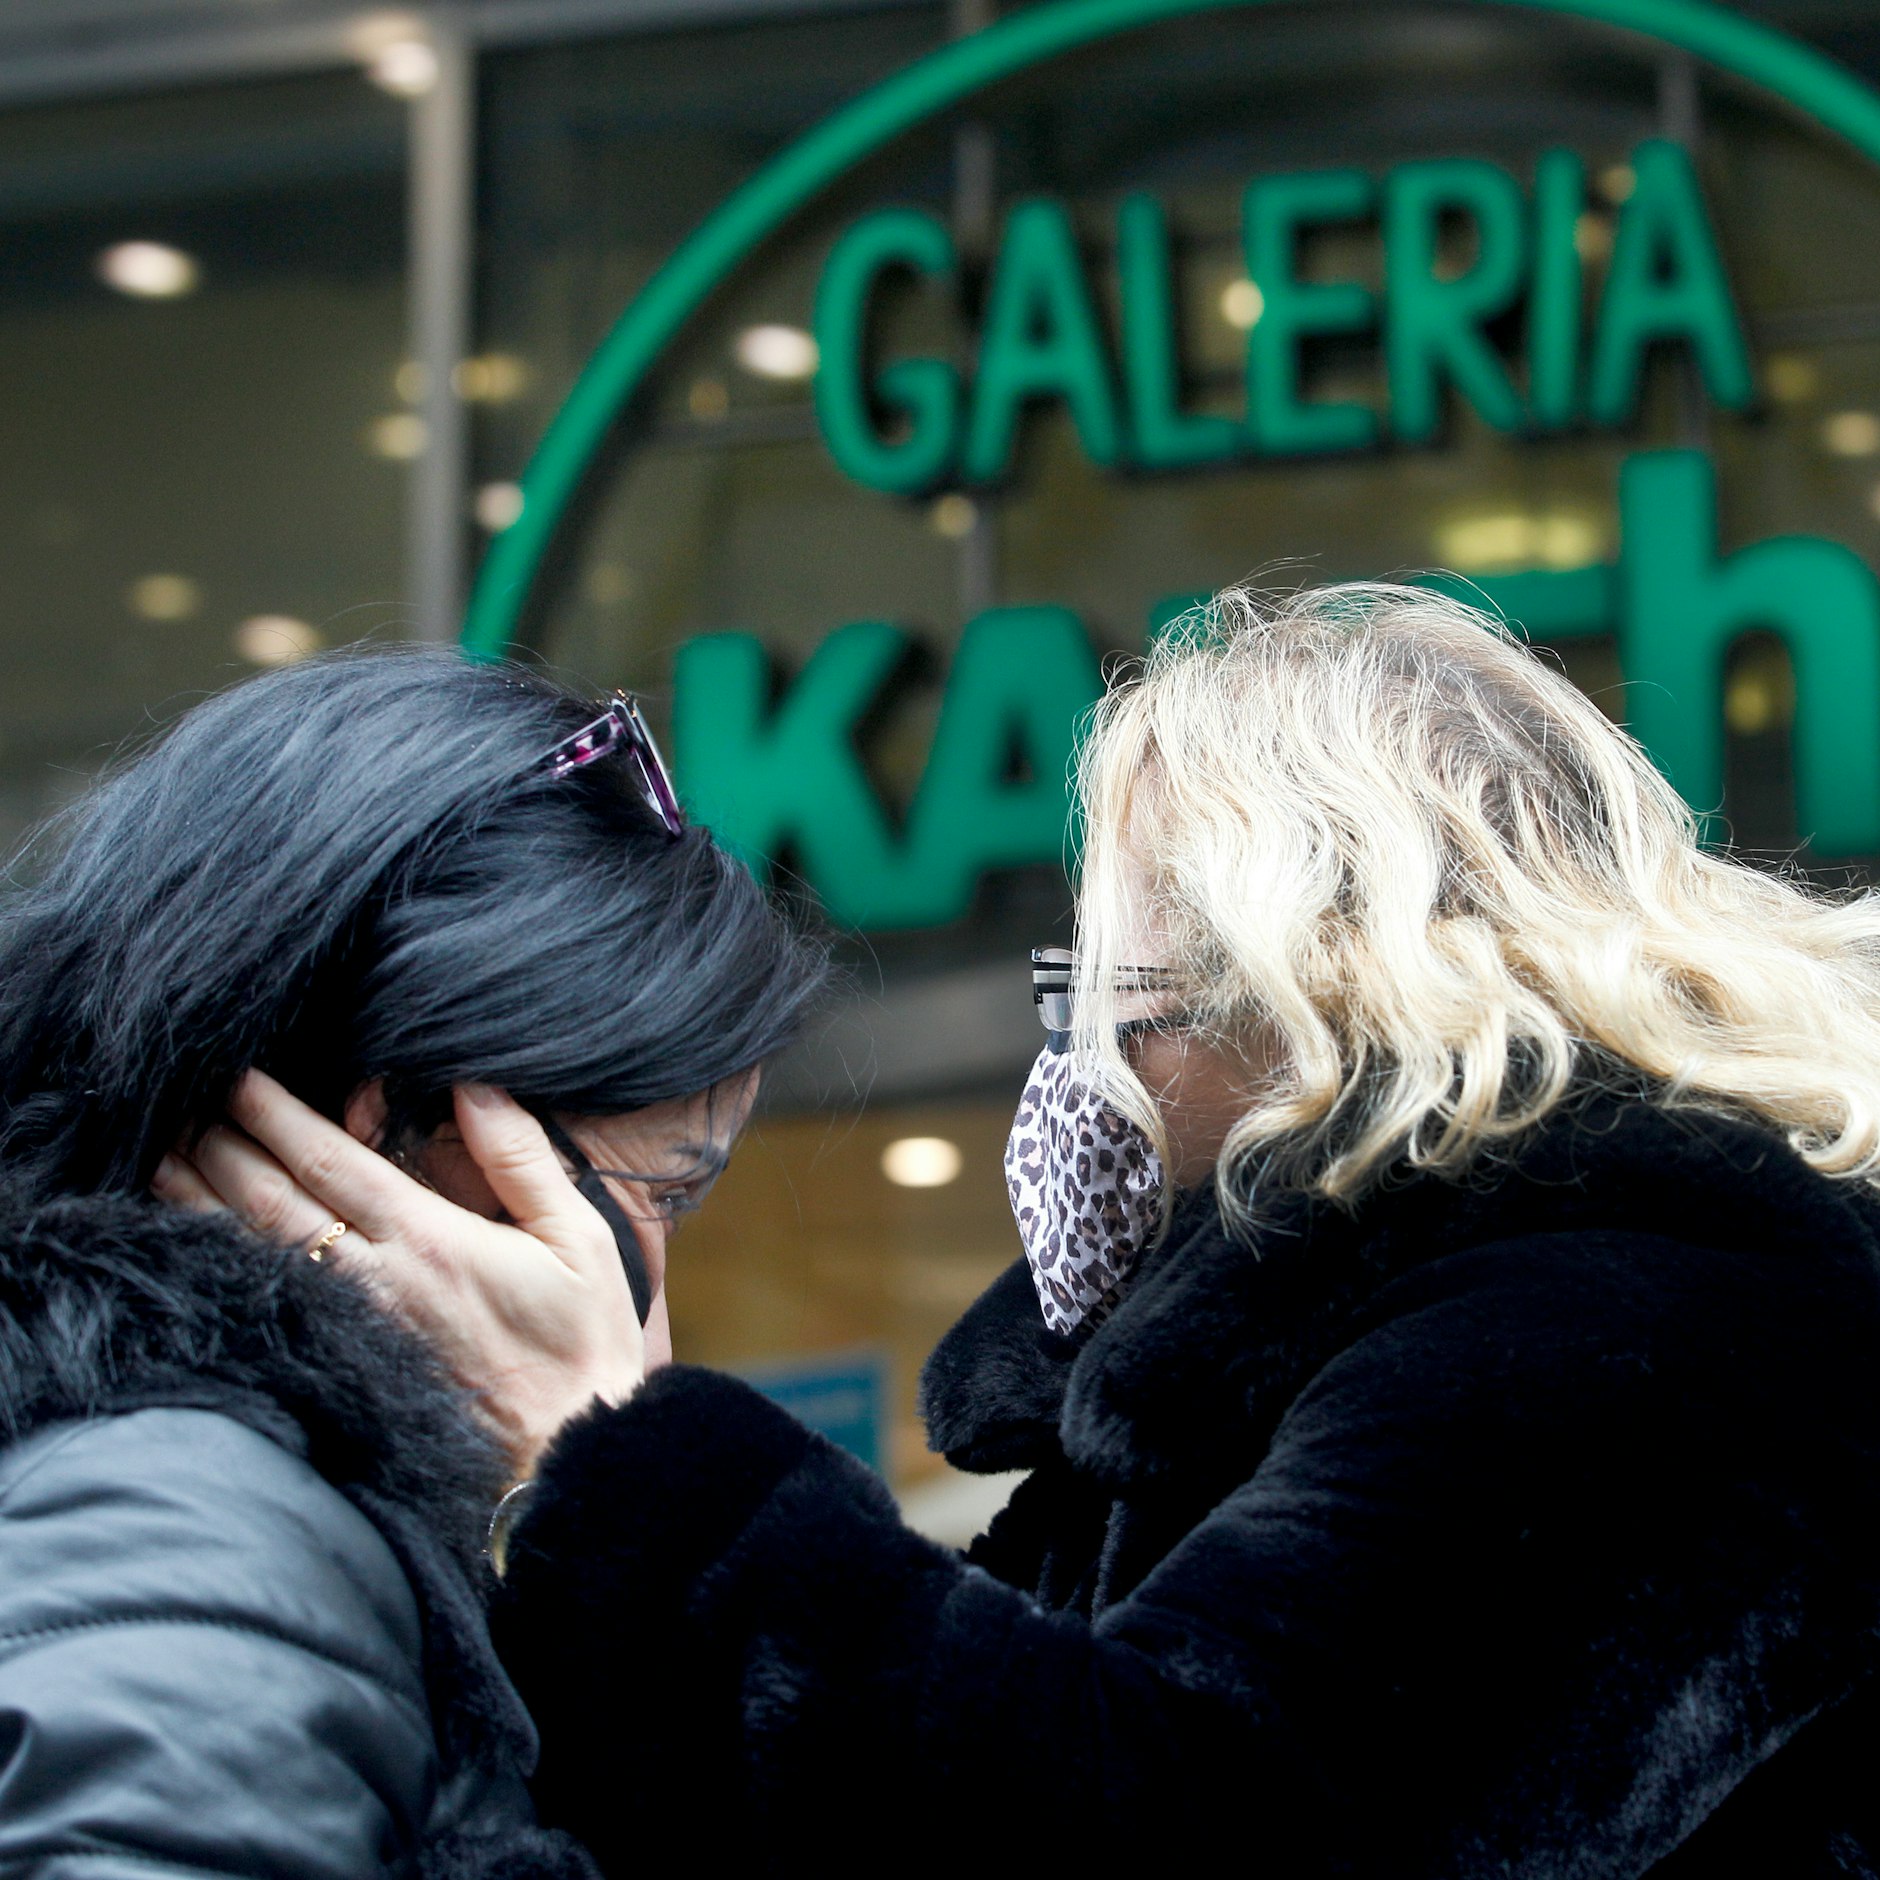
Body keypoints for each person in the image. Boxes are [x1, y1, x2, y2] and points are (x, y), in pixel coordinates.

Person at [168, 583, 1880, 1871]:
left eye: (1112, 986)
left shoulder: (1643, 1331)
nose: (1078, 1062)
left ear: (1308, 983)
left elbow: (1165, 1824)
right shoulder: (1308, 1360)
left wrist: (612, 1456)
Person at [0, 648, 827, 1875]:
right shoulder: (189, 1530)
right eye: (659, 1193)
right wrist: (615, 1487)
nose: (651, 1331)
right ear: (384, 1133)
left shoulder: (237, 1499)